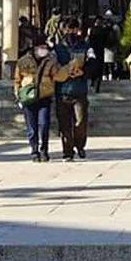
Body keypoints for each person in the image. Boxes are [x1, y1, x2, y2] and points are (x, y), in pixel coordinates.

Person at [14, 32, 58, 161]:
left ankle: (44, 150)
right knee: (32, 128)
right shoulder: (23, 61)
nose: (43, 50)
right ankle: (34, 150)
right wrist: (18, 95)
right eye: (41, 47)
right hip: (29, 97)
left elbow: (56, 76)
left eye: (45, 47)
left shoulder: (50, 61)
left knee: (44, 125)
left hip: (44, 96)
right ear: (35, 48)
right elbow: (17, 80)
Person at [54, 26, 90, 160]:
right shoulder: (57, 49)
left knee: (81, 121)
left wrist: (84, 72)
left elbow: (93, 62)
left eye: (74, 29)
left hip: (79, 90)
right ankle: (67, 151)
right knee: (64, 124)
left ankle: (80, 145)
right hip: (62, 91)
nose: (72, 32)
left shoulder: (85, 46)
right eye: (68, 29)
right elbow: (52, 67)